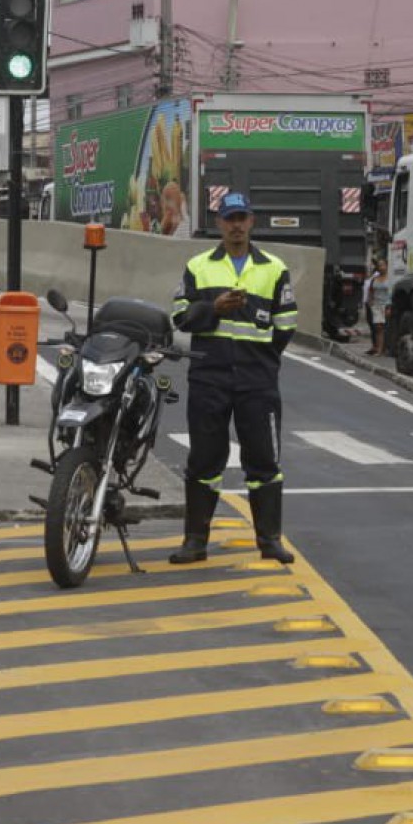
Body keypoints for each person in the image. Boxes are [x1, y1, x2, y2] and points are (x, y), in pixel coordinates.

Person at [168, 191, 301, 566]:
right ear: (219, 224)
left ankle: (270, 541)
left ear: (252, 221)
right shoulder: (198, 267)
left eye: (242, 218)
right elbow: (180, 317)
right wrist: (213, 309)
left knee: (263, 462)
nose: (237, 225)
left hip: (257, 382)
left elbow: (286, 324)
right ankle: (195, 541)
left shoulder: (274, 268)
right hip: (209, 378)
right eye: (230, 219)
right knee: (205, 461)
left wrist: (262, 359)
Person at [365, 256, 391, 357]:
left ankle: (386, 348)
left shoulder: (390, 278)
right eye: (379, 265)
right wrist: (370, 301)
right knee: (378, 327)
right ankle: (379, 349)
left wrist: (389, 306)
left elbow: (391, 293)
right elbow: (371, 290)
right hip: (376, 305)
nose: (381, 267)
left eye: (383, 265)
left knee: (386, 327)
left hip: (386, 305)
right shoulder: (374, 279)